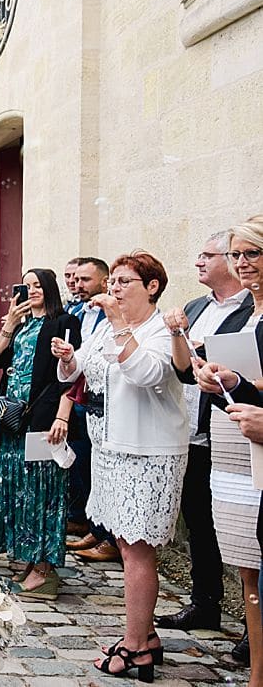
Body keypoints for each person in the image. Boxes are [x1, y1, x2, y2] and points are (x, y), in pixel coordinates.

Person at [54, 251, 187, 680]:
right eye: (112, 280)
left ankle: (135, 649)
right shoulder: (104, 331)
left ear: (151, 287)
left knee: (136, 548)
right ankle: (144, 636)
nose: (114, 288)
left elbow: (146, 373)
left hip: (148, 451)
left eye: (124, 281)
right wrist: (67, 357)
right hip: (109, 448)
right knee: (127, 544)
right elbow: (80, 373)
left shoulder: (160, 330)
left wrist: (116, 324)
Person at [155, 234, 250, 634]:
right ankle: (205, 602)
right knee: (198, 521)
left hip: (233, 430)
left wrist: (207, 353)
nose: (198, 261)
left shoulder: (249, 309)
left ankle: (252, 626)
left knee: (245, 532)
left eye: (207, 255)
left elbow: (246, 364)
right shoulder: (195, 307)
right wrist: (179, 336)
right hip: (193, 429)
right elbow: (180, 371)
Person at [0, 268, 81, 600]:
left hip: (43, 419)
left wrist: (62, 416)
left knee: (41, 492)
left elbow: (71, 377)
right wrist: (9, 323)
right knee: (17, 489)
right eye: (26, 286)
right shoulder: (22, 324)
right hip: (13, 417)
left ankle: (45, 571)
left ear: (50, 288)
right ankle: (30, 562)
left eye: (38, 285)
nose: (32, 291)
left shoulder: (64, 321)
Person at [64, 258, 115, 559]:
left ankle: (105, 535)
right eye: (73, 278)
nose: (76, 284)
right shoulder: (79, 311)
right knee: (84, 463)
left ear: (104, 281)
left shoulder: (109, 315)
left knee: (100, 468)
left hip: (102, 400)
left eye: (84, 279)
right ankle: (93, 527)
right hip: (81, 394)